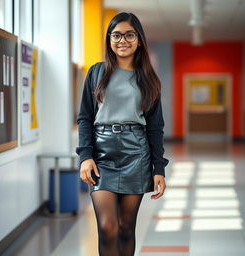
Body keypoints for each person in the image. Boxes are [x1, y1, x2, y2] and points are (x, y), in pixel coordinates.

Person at [76, 12, 169, 256]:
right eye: (116, 35)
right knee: (108, 227)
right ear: (109, 40)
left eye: (129, 34)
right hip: (101, 153)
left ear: (139, 39)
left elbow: (155, 128)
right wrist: (85, 156)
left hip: (135, 154)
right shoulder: (96, 73)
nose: (122, 40)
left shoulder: (149, 80)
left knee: (127, 228)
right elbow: (85, 118)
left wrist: (159, 169)